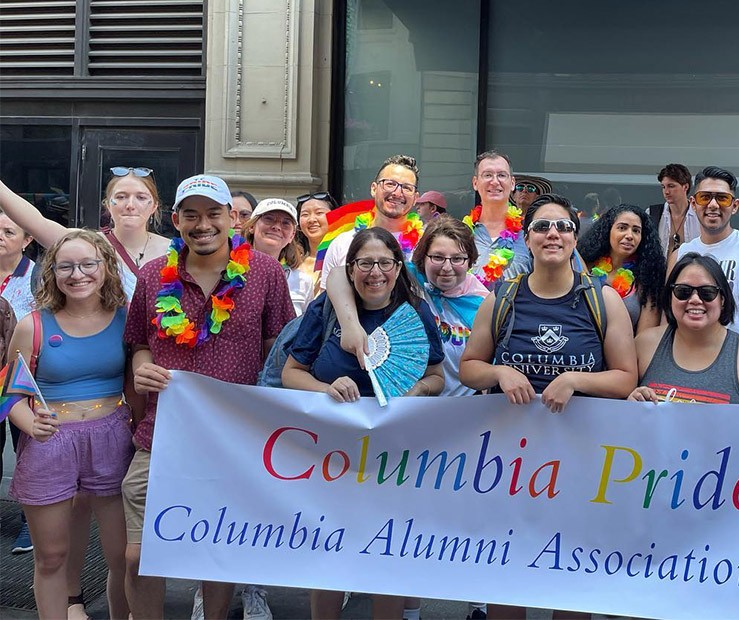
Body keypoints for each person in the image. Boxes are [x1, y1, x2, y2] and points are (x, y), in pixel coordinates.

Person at [123, 174, 295, 620]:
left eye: (213, 214)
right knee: (138, 557)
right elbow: (139, 341)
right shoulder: (150, 276)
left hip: (235, 436)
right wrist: (143, 365)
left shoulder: (265, 273)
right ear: (175, 220)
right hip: (163, 431)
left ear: (232, 219)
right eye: (192, 215)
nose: (203, 225)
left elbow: (280, 351)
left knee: (217, 549)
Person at [460, 193, 637, 620]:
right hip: (511, 463)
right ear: (528, 238)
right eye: (542, 227)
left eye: (562, 227)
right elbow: (468, 368)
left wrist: (575, 380)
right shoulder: (501, 297)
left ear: (576, 238)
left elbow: (626, 378)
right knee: (508, 567)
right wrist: (499, 373)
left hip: (582, 461)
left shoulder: (603, 299)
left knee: (572, 573)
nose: (552, 234)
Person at [282, 227, 444, 620]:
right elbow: (291, 373)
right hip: (330, 455)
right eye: (366, 263)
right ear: (351, 268)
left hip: (392, 456)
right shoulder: (327, 309)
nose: (376, 272)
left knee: (386, 550)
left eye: (385, 263)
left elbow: (438, 376)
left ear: (398, 267)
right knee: (329, 546)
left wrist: (418, 390)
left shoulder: (415, 310)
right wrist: (325, 387)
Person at [7, 230, 132, 620]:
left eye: (87, 264)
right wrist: (29, 423)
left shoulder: (127, 319)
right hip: (51, 443)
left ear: (105, 267)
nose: (77, 274)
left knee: (123, 556)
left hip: (113, 437)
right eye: (66, 266)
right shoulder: (33, 325)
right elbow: (8, 392)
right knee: (51, 556)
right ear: (53, 273)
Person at [628, 253, 739, 405]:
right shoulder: (643, 346)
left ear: (722, 299)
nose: (695, 300)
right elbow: (616, 415)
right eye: (683, 291)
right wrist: (629, 404)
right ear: (670, 297)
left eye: (707, 292)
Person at [0, 167, 171, 300]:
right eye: (121, 197)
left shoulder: (175, 250)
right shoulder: (88, 243)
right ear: (108, 204)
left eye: (141, 197)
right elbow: (36, 223)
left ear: (154, 206)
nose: (130, 205)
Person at [667, 166, 739, 338]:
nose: (713, 205)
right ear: (693, 203)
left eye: (722, 198)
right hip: (684, 357)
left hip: (737, 360)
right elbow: (668, 320)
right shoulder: (679, 255)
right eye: (704, 197)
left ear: (735, 206)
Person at [409, 218, 489, 396]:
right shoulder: (407, 281)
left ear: (470, 261)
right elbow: (340, 276)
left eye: (457, 259)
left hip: (463, 411)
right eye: (437, 257)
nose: (447, 267)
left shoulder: (483, 303)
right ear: (423, 257)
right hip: (410, 405)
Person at [320, 155, 424, 284]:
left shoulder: (425, 246)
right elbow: (326, 298)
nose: (397, 193)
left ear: (415, 198)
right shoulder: (343, 243)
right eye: (390, 184)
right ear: (374, 189)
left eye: (407, 188)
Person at [0, 209, 35, 557]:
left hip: (23, 378)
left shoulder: (37, 277)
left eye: (9, 231)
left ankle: (31, 519)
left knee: (26, 446)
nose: (0, 236)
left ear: (27, 240)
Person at [577, 204, 665, 332]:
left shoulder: (648, 278)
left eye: (636, 230)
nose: (629, 235)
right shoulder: (586, 265)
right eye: (622, 228)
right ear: (608, 230)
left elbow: (644, 336)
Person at [467, 151, 530, 287]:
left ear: (512, 183)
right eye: (488, 175)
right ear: (475, 183)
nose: (495, 182)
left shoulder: (530, 233)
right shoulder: (461, 233)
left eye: (501, 175)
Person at [243, 198, 313, 315]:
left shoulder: (303, 282)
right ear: (252, 227)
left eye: (286, 223)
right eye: (269, 219)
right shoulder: (229, 270)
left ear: (292, 235)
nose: (277, 227)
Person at [647, 163, 698, 257]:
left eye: (671, 186)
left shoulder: (699, 215)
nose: (666, 192)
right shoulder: (652, 213)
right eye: (663, 187)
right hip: (660, 270)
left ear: (685, 187)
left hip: (691, 269)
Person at [295, 190, 338, 296]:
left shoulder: (343, 258)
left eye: (319, 213)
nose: (311, 219)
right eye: (305, 214)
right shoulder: (291, 262)